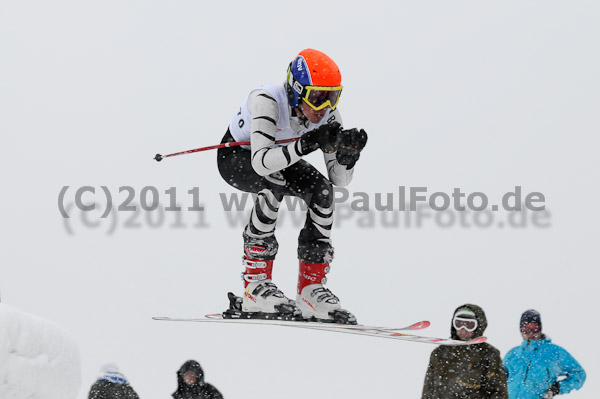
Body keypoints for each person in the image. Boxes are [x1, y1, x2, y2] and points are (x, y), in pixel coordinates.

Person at [217, 48, 367, 324]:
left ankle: (311, 289)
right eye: (318, 97)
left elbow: (339, 181)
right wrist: (307, 143)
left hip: (282, 157)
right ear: (297, 90)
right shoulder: (266, 100)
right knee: (272, 182)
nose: (324, 107)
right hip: (240, 156)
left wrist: (347, 159)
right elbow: (262, 162)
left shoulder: (329, 115)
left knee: (322, 192)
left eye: (333, 97)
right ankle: (255, 284)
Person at [421, 304, 508, 399]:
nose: (463, 329)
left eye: (469, 325)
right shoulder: (440, 353)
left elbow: (499, 392)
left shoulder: (488, 354)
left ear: (478, 326)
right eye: (458, 324)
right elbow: (428, 390)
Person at [503, 309, 586, 398]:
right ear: (521, 330)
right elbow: (499, 378)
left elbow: (579, 374)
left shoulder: (555, 352)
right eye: (526, 329)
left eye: (534, 328)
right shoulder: (513, 354)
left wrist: (557, 388)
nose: (530, 333)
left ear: (540, 328)